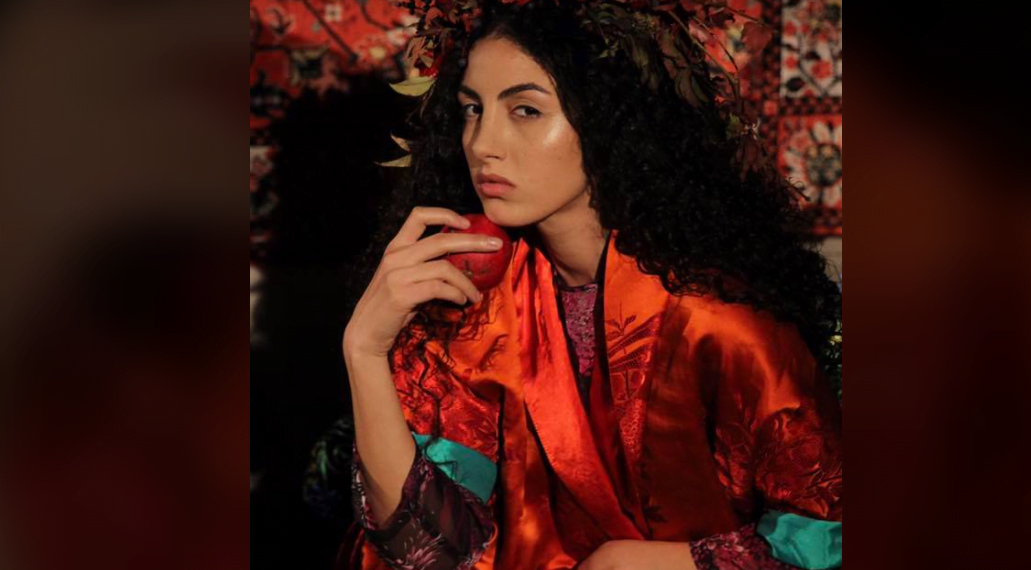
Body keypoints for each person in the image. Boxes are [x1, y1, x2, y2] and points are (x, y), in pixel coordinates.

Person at [339, 1, 842, 569]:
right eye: (472, 109)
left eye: (526, 110)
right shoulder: (472, 304)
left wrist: (648, 562)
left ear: (611, 121)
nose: (482, 143)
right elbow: (427, 550)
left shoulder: (720, 321)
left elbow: (829, 539)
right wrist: (364, 350)